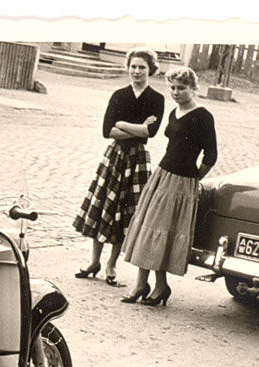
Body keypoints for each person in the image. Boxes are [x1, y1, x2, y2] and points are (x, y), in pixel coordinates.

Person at [120, 66, 218, 306]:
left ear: (193, 88)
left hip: (181, 181)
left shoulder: (203, 116)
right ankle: (144, 284)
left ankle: (159, 286)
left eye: (181, 88)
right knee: (148, 228)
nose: (176, 92)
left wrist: (194, 178)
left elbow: (211, 155)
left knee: (160, 231)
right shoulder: (174, 112)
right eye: (172, 87)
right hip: (162, 175)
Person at [72, 48, 165, 286]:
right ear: (128, 67)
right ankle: (94, 261)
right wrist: (136, 127)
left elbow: (150, 133)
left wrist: (122, 124)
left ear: (150, 70)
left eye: (142, 67)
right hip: (115, 156)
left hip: (138, 160)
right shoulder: (118, 95)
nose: (136, 71)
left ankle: (112, 264)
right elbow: (107, 131)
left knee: (125, 211)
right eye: (133, 66)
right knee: (105, 204)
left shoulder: (156, 99)